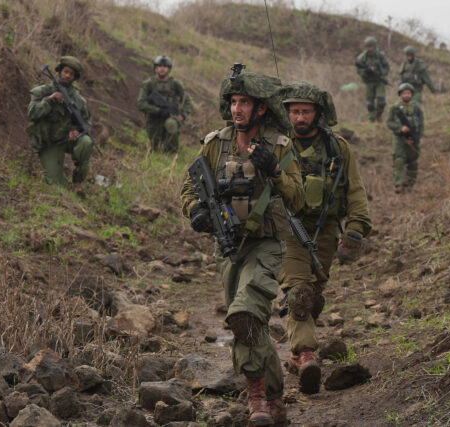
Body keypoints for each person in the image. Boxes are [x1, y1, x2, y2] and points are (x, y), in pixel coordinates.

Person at [181, 69, 303, 426]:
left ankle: (258, 401)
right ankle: (276, 396)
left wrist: (275, 170)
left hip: (267, 243)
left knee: (245, 313)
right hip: (229, 246)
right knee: (249, 326)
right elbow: (189, 185)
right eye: (233, 102)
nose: (237, 109)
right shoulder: (215, 143)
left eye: (244, 102)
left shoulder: (279, 146)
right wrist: (196, 210)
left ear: (261, 108)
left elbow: (296, 198)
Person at [276, 81, 372, 395]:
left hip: (326, 230)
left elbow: (355, 189)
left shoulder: (337, 147)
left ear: (318, 113)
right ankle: (306, 355)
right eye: (294, 112)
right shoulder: (278, 144)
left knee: (313, 296)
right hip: (288, 229)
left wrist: (356, 228)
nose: (299, 118)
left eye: (305, 111)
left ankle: (294, 352)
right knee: (299, 293)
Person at [27, 56, 94, 186]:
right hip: (50, 142)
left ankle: (78, 182)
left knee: (86, 142)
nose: (68, 76)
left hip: (68, 140)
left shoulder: (79, 100)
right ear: (59, 71)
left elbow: (86, 123)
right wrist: (49, 100)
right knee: (55, 184)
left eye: (72, 74)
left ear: (75, 78)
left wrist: (76, 131)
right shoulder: (43, 91)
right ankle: (59, 175)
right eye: (66, 72)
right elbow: (32, 114)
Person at [137, 55, 192, 153]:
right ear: (155, 68)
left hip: (171, 116)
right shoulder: (148, 84)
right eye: (159, 66)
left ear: (169, 69)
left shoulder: (175, 84)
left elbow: (187, 100)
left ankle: (171, 153)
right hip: (154, 119)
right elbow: (141, 103)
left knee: (171, 124)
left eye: (165, 66)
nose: (162, 69)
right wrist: (158, 110)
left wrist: (183, 114)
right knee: (155, 148)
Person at [386, 83, 424, 194]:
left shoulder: (416, 108)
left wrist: (417, 137)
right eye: (404, 93)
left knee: (413, 163)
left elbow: (421, 124)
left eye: (408, 93)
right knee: (399, 161)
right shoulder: (395, 108)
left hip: (413, 139)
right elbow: (389, 122)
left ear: (411, 94)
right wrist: (400, 128)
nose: (406, 95)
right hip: (400, 140)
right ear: (400, 95)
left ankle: (410, 183)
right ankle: (399, 184)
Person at [356, 37, 390, 122]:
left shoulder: (380, 55)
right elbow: (358, 69)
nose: (370, 48)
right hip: (369, 81)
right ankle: (372, 119)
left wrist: (381, 73)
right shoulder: (362, 57)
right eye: (368, 46)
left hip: (379, 81)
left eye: (371, 46)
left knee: (381, 102)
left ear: (375, 46)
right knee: (370, 103)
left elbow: (387, 67)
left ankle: (379, 115)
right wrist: (366, 71)